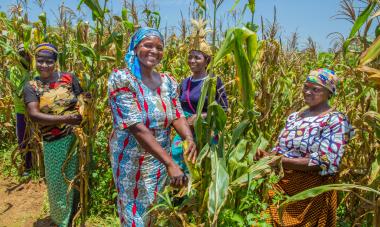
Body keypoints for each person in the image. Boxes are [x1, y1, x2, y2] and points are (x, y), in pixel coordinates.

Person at [108, 27, 197, 226]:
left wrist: (188, 138)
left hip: (160, 157)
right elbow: (136, 127)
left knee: (156, 207)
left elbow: (176, 114)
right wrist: (170, 163)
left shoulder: (168, 82)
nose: (154, 51)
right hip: (131, 156)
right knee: (135, 210)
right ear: (135, 47)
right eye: (148, 45)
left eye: (159, 47)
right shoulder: (122, 78)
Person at [256, 68, 354, 227]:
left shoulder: (336, 121)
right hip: (280, 187)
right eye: (306, 87)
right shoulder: (295, 117)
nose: (308, 92)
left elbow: (324, 162)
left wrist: (277, 160)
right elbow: (281, 149)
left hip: (310, 193)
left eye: (315, 89)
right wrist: (266, 155)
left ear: (329, 93)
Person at [23, 43, 83, 227]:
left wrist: (83, 109)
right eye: (40, 61)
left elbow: (81, 100)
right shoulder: (32, 86)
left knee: (77, 178)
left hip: (77, 139)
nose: (44, 65)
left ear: (55, 62)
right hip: (54, 141)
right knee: (58, 183)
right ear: (35, 61)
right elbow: (34, 115)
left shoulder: (69, 78)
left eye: (49, 61)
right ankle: (60, 221)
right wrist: (66, 118)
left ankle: (76, 216)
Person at [171, 25, 228, 170]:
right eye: (190, 57)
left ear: (206, 60)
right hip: (186, 130)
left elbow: (224, 109)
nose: (192, 60)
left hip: (207, 131)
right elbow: (176, 107)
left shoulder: (214, 81)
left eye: (197, 57)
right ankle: (181, 192)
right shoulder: (184, 82)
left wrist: (200, 117)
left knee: (205, 167)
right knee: (179, 159)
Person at [8, 43, 33, 174]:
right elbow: (19, 91)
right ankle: (27, 167)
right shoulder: (15, 69)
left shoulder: (29, 69)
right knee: (23, 138)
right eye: (22, 53)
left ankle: (33, 164)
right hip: (22, 109)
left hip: (32, 110)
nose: (25, 55)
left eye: (26, 52)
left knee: (32, 137)